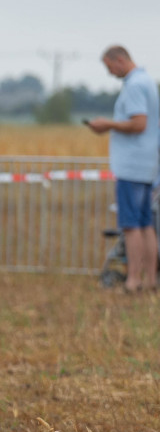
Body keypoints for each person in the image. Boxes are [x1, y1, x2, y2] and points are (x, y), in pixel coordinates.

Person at [87, 45, 160, 292]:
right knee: (146, 225)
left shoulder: (134, 85)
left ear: (119, 60)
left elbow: (139, 123)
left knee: (131, 226)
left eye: (109, 67)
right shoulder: (147, 81)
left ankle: (133, 280)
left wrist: (108, 124)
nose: (109, 72)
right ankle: (151, 280)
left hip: (132, 166)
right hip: (147, 164)